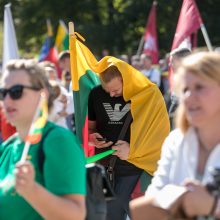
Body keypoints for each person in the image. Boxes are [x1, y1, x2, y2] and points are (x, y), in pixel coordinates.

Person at [130, 52, 220, 219]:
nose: (188, 97)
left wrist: (213, 206)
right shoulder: (175, 141)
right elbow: (145, 207)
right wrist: (177, 197)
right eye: (185, 89)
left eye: (199, 87)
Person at [0, 59, 86, 220]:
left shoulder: (58, 140)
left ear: (42, 94)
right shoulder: (8, 147)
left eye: (16, 91)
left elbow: (75, 215)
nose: (7, 100)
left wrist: (32, 190)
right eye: (3, 93)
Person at [88, 59, 170, 220]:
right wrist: (92, 136)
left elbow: (160, 137)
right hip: (103, 170)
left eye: (116, 90)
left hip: (135, 171)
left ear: (127, 79)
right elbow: (90, 128)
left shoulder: (150, 94)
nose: (111, 94)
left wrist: (132, 151)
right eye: (107, 90)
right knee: (106, 216)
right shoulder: (96, 94)